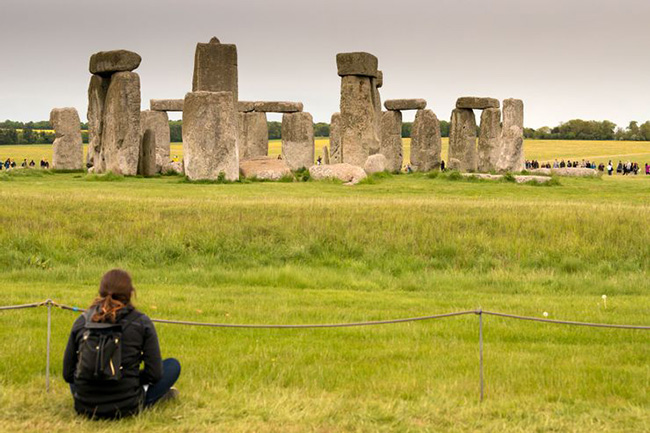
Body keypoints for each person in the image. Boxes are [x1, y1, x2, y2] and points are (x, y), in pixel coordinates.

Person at [63, 269, 180, 419]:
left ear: (101, 292)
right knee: (172, 365)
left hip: (85, 406)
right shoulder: (142, 323)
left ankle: (97, 391)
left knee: (79, 370)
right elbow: (155, 374)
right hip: (128, 406)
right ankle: (151, 394)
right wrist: (130, 376)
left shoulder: (81, 321)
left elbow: (68, 374)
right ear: (131, 293)